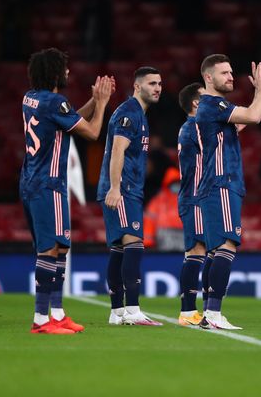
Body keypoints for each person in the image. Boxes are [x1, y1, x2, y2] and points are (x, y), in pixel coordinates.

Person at [21, 48, 114, 334]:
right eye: (64, 67)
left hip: (32, 180)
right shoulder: (54, 101)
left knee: (59, 247)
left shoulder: (32, 98)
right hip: (49, 183)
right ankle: (40, 320)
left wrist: (91, 102)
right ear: (54, 72)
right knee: (50, 249)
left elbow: (71, 121)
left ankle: (58, 313)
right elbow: (92, 132)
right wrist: (102, 104)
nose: (68, 72)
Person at [196, 54, 261, 330]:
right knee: (227, 245)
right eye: (225, 73)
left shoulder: (213, 109)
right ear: (208, 77)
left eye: (231, 71)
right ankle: (214, 314)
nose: (231, 76)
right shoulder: (213, 104)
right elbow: (254, 115)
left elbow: (253, 117)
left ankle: (208, 313)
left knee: (216, 251)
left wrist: (260, 93)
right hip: (222, 182)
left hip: (214, 185)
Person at [98, 67, 162, 326]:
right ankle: (133, 310)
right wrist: (115, 187)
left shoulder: (139, 115)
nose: (157, 88)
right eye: (151, 83)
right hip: (123, 189)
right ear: (137, 86)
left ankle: (116, 313)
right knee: (134, 244)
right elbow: (117, 150)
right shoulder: (129, 113)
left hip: (125, 188)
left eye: (159, 83)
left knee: (119, 249)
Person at [176, 82, 208, 326]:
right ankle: (187, 312)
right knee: (196, 250)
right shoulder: (195, 126)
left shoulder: (192, 127)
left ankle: (201, 310)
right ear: (196, 103)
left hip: (198, 197)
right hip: (195, 196)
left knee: (204, 250)